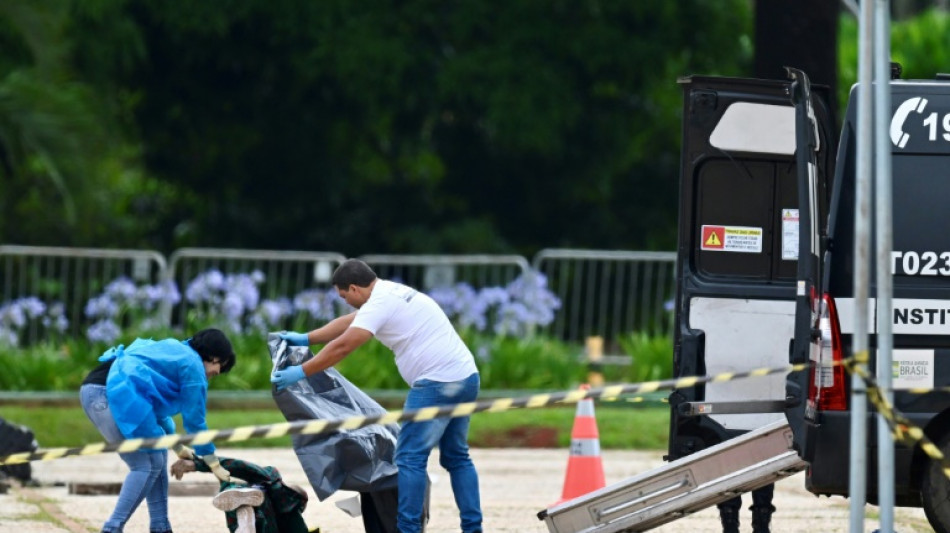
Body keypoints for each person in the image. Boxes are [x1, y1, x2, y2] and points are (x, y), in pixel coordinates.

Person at [271, 258, 482, 533]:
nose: (346, 302)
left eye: (344, 296)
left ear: (355, 288)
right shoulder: (390, 292)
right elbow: (348, 323)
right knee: (456, 457)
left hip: (436, 384)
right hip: (466, 377)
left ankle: (407, 530)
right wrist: (306, 338)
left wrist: (301, 371)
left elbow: (344, 345)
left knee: (409, 457)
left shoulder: (380, 303)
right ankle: (473, 528)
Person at [79, 328, 237, 533]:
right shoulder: (194, 367)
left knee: (158, 453)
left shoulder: (177, 351)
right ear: (215, 357)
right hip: (106, 394)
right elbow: (195, 421)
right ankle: (112, 528)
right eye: (219, 367)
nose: (215, 374)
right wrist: (212, 461)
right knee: (143, 465)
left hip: (98, 390)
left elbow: (156, 411)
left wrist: (177, 446)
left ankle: (160, 526)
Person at [169, 453, 312, 533]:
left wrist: (198, 464)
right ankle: (245, 517)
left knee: (234, 489)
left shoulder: (272, 479)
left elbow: (241, 466)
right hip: (268, 518)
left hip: (267, 501)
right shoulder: (289, 509)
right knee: (241, 494)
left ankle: (244, 515)